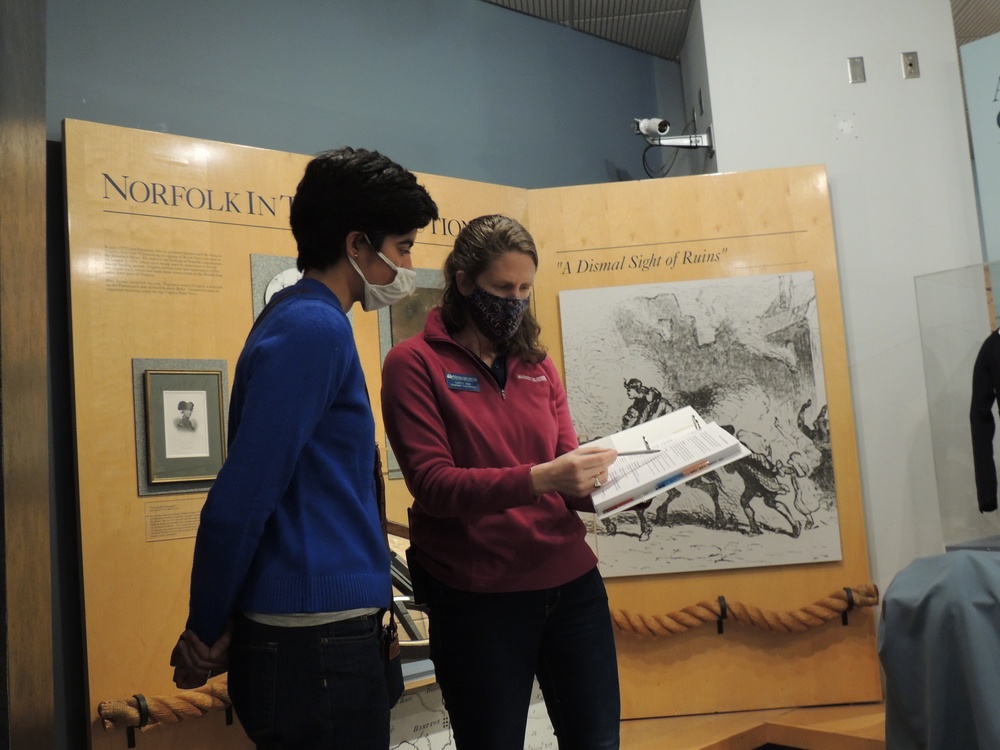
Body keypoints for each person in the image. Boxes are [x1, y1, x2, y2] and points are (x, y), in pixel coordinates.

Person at [169, 147, 438, 749]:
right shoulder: (312, 329)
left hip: (322, 635)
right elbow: (240, 501)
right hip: (315, 646)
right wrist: (203, 628)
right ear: (356, 246)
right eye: (402, 248)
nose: (407, 265)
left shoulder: (305, 321)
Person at [381, 214, 621, 749]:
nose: (515, 300)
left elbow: (565, 469)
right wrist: (540, 478)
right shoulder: (412, 364)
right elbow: (435, 486)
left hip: (571, 582)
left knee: (599, 743)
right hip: (478, 594)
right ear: (464, 283)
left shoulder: (538, 365)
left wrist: (627, 487)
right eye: (501, 288)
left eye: (525, 289)